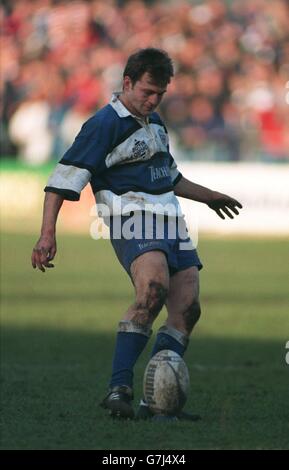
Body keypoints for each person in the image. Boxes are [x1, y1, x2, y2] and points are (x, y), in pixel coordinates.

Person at [31, 48, 242, 421]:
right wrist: (47, 235)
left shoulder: (156, 122)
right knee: (153, 288)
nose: (152, 100)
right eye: (146, 91)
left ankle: (157, 401)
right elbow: (60, 182)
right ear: (126, 82)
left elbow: (170, 177)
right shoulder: (103, 125)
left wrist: (209, 197)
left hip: (170, 218)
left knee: (188, 307)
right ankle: (119, 388)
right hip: (131, 216)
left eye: (159, 93)